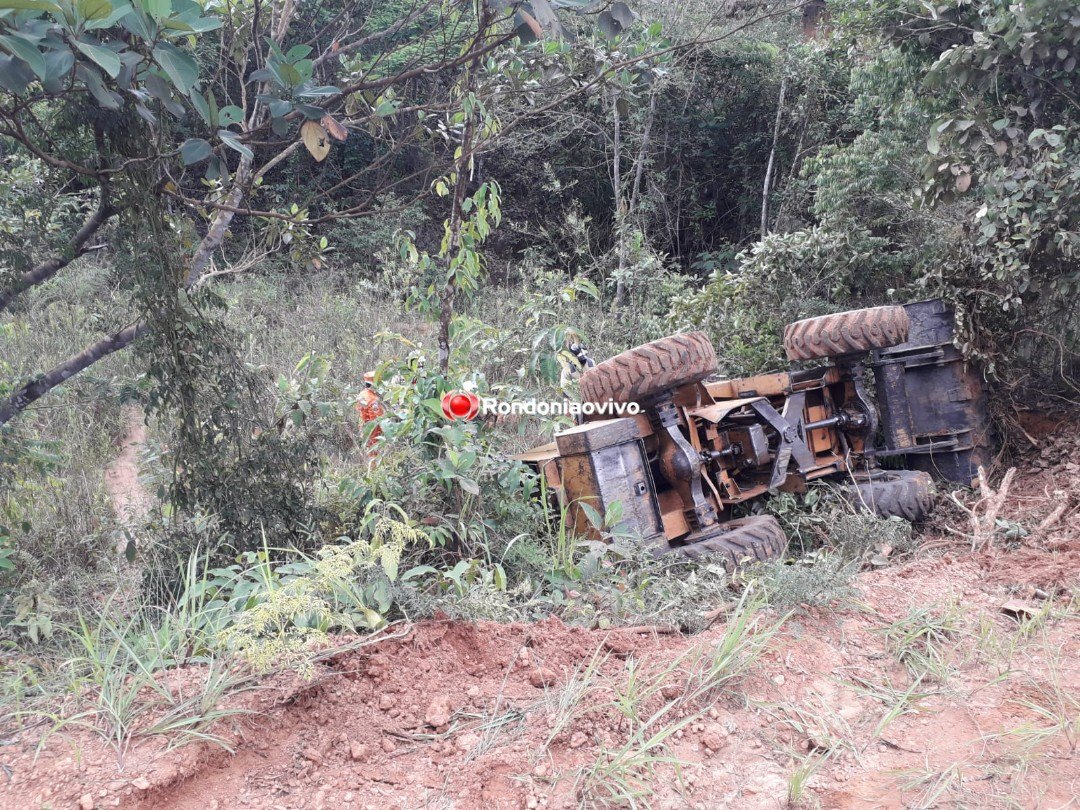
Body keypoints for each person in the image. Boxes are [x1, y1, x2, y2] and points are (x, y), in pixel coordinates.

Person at [355, 370, 385, 449]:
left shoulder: (362, 394)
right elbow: (377, 420)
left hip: (363, 429)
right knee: (374, 451)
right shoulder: (372, 399)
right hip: (373, 432)